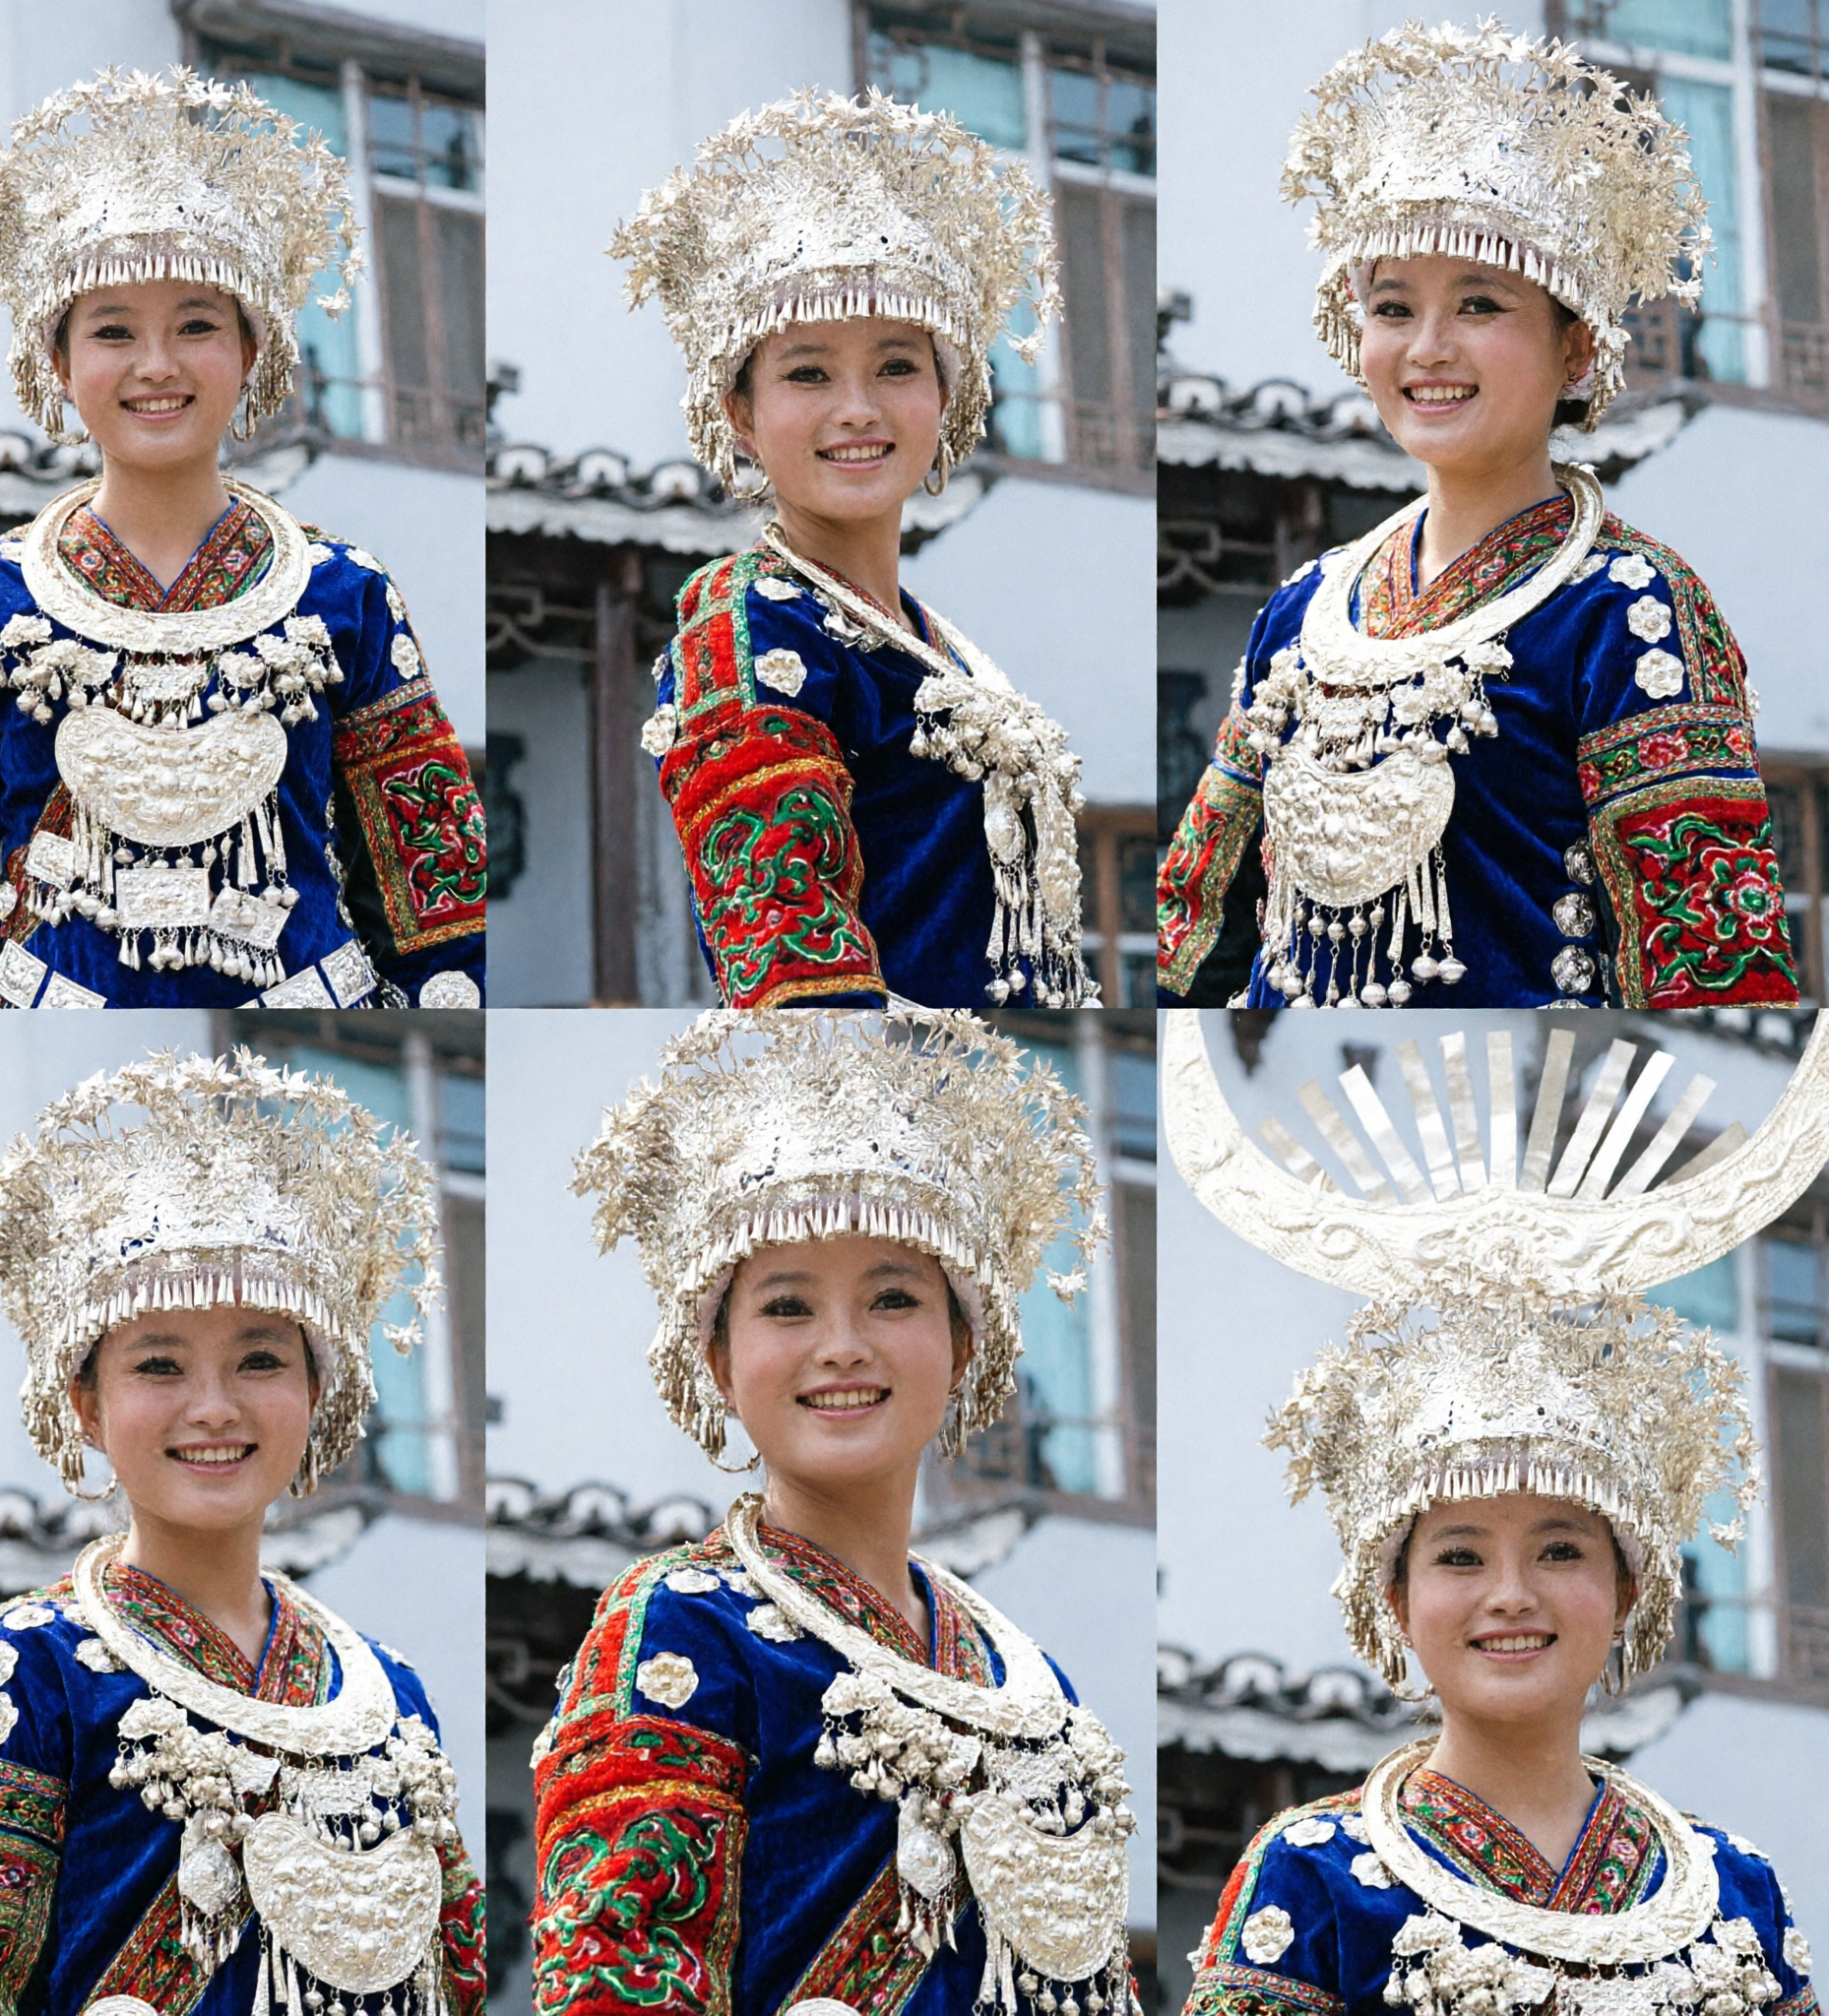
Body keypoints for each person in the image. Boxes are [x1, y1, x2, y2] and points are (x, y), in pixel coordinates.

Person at [1163, 1010, 1826, 2016]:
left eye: (1558, 1546)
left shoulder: (1735, 1892)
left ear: (1627, 1582)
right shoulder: (1313, 1876)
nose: (1509, 1595)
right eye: (1460, 1554)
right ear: (1392, 1592)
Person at [1154, 23, 1797, 1010]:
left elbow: (1712, 972)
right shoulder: (1298, 612)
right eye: (1392, 306)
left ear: (1575, 348)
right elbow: (1197, 927)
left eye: (1480, 304)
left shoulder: (1630, 611)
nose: (1427, 348)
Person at [0, 69, 486, 1010]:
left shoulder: (347, 594)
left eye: (197, 326)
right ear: (60, 360)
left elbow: (440, 911)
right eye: (115, 330)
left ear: (253, 352)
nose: (157, 366)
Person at [0, 1049, 488, 2012]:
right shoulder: (27, 1663)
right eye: (159, 1364)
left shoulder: (390, 1690)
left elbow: (456, 1978)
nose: (214, 1406)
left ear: (317, 1391)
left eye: (260, 1357)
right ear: (85, 1404)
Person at [533, 1010, 1138, 2012]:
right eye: (786, 1305)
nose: (842, 1343)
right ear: (719, 1362)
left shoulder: (1026, 1681)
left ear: (963, 1341)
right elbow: (614, 1977)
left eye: (892, 1297)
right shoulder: (682, 1624)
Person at [611, 91, 1097, 1010]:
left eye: (897, 365)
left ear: (948, 397)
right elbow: (794, 977)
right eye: (808, 373)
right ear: (741, 417)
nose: (859, 408)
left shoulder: (930, 638)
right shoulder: (749, 624)